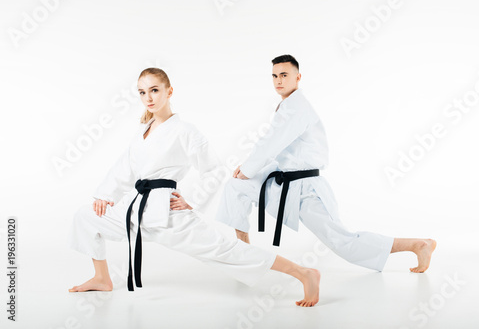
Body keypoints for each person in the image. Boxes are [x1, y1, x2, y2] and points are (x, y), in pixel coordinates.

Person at [67, 67, 320, 307]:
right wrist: (104, 196)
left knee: (225, 250)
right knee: (87, 215)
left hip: (168, 213)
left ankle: (303, 273)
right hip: (135, 209)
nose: (148, 97)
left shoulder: (185, 131)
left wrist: (193, 202)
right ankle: (102, 278)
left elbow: (212, 169)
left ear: (169, 91)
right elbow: (123, 169)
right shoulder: (143, 132)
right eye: (142, 92)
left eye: (154, 90)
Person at [215, 55, 437, 273]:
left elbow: (270, 143)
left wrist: (247, 169)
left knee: (343, 242)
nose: (278, 81)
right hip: (287, 184)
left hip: (307, 190)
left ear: (298, 77)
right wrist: (249, 173)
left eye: (284, 75)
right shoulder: (287, 106)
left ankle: (418, 244)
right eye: (274, 76)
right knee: (236, 187)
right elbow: (278, 152)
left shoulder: (297, 108)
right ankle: (244, 253)